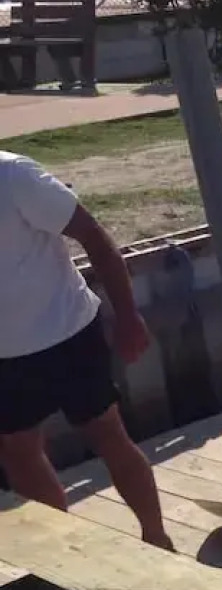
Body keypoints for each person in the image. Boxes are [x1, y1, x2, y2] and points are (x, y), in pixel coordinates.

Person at [0, 152, 173, 551]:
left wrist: (128, 317)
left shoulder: (14, 176)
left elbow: (94, 236)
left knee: (107, 433)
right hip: (5, 356)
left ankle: (156, 535)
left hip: (68, 334)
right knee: (17, 452)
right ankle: (64, 550)